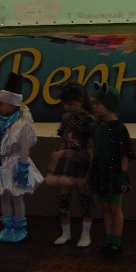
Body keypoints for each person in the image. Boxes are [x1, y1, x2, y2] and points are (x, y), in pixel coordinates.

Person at [0, 71, 43, 243]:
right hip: (2, 165)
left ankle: (19, 228)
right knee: (4, 196)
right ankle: (8, 227)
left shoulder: (21, 125)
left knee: (17, 196)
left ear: (12, 105)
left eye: (2, 104)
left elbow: (24, 149)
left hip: (16, 164)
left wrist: (23, 168)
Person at [44, 81, 95, 247]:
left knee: (84, 197)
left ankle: (85, 234)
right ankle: (65, 233)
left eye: (71, 104)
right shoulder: (66, 118)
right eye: (65, 104)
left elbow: (92, 144)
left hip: (82, 159)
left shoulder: (89, 119)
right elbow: (64, 139)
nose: (67, 107)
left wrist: (91, 164)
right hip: (65, 159)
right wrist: (59, 157)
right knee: (63, 197)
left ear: (81, 100)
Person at [88, 81, 134, 255]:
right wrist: (91, 170)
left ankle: (116, 241)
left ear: (109, 104)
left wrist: (123, 173)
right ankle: (108, 239)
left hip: (114, 171)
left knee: (115, 207)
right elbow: (93, 149)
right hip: (100, 170)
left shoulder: (119, 128)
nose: (95, 107)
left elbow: (125, 153)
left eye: (98, 103)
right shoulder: (96, 127)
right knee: (105, 207)